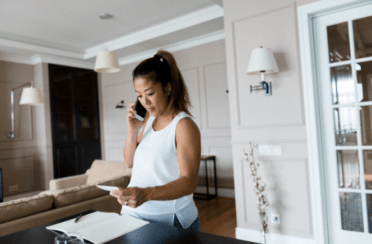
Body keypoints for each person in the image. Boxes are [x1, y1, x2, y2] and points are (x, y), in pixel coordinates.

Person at [110, 50, 202, 232]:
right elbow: (130, 162)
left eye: (150, 93)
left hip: (167, 219)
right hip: (130, 215)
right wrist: (132, 130)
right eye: (139, 95)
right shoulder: (149, 120)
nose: (145, 102)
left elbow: (189, 182)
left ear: (167, 88)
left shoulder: (183, 125)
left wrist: (146, 193)